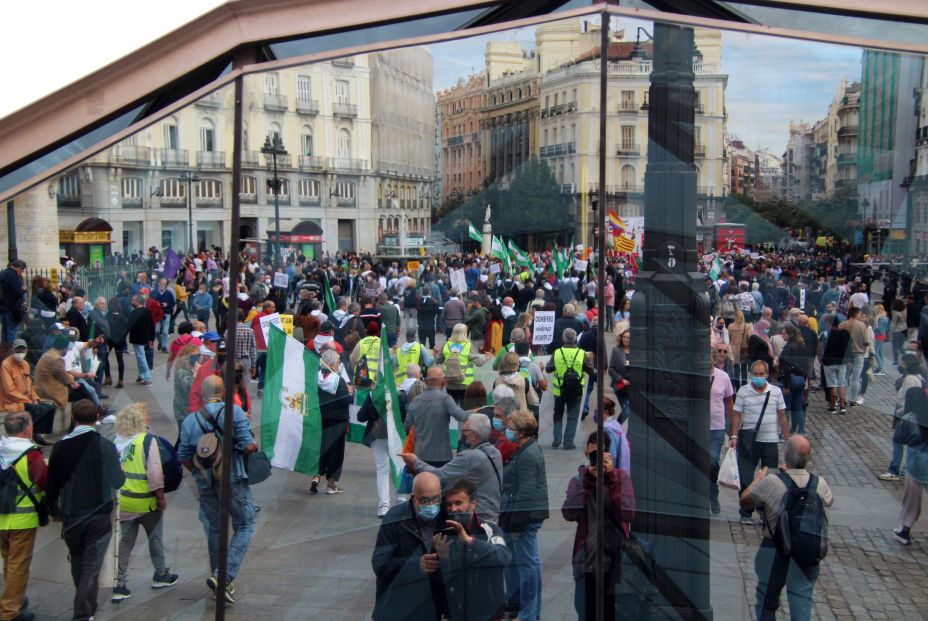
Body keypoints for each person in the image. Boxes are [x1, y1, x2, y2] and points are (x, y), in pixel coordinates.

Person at [177, 376, 259, 604]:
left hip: (205, 481)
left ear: (203, 394)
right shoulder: (235, 413)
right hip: (232, 476)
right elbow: (246, 444)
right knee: (245, 523)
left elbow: (183, 455)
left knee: (215, 529)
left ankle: (218, 579)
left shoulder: (190, 420)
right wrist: (253, 447)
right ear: (224, 392)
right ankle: (223, 577)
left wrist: (199, 472)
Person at [46, 400, 125, 621]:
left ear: (73, 418)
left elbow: (51, 482)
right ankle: (82, 613)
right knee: (91, 567)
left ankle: (88, 608)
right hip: (98, 515)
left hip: (71, 517)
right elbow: (118, 481)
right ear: (97, 418)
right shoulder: (105, 446)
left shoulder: (60, 446)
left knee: (79, 562)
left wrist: (53, 510)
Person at [739, 435, 833, 620]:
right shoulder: (819, 483)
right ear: (808, 458)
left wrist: (758, 479)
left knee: (767, 602)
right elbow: (829, 501)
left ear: (786, 457)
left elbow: (745, 502)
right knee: (801, 601)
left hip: (774, 550)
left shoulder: (771, 482)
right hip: (807, 548)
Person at [562, 431, 636, 621]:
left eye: (599, 454)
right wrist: (587, 482)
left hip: (616, 559)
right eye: (591, 454)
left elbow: (628, 513)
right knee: (585, 610)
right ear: (586, 454)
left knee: (613, 612)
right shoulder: (578, 479)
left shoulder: (620, 478)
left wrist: (611, 479)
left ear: (608, 454)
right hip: (586, 558)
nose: (594, 458)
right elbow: (569, 513)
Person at [111, 403, 179, 602]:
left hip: (123, 502)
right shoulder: (147, 441)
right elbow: (155, 473)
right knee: (155, 538)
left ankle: (119, 584)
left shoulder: (115, 443)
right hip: (146, 502)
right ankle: (161, 574)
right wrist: (160, 497)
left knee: (125, 542)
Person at [371, 472, 448, 620]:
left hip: (430, 608)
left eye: (435, 499)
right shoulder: (395, 519)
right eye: (425, 500)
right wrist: (415, 564)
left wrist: (446, 558)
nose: (431, 505)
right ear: (413, 498)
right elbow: (379, 563)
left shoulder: (447, 519)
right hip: (397, 608)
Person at [399, 413, 503, 522]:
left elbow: (439, 476)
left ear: (474, 436)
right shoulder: (496, 453)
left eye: (465, 431)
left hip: (476, 519)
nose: (462, 434)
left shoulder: (469, 457)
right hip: (493, 516)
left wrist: (415, 462)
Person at [500, 411, 548, 621]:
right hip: (524, 514)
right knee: (530, 564)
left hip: (524, 517)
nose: (507, 431)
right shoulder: (526, 449)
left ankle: (528, 614)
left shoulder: (527, 455)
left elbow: (526, 492)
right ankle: (526, 610)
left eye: (510, 428)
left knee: (527, 566)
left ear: (520, 432)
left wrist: (517, 524)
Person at [0, 411, 48, 621]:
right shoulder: (32, 454)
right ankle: (10, 612)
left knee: (9, 561)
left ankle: (13, 598)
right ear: (27, 429)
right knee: (18, 565)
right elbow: (44, 482)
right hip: (22, 520)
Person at [730, 360, 790, 525]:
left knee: (770, 478)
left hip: (770, 440)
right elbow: (736, 414)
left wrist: (787, 439)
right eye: (755, 374)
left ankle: (765, 511)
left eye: (761, 374)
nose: (758, 377)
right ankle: (746, 511)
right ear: (751, 375)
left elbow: (782, 416)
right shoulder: (743, 391)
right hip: (749, 441)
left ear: (767, 374)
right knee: (746, 476)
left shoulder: (776, 392)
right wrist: (734, 436)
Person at [404, 367, 471, 469]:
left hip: (420, 455)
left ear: (426, 382)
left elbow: (407, 426)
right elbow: (461, 416)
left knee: (422, 484)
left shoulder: (416, 400)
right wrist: (479, 410)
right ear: (443, 382)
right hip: (442, 456)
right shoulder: (445, 399)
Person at [0, 339, 55, 444]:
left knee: (50, 408)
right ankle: (32, 434)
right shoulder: (5, 365)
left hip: (25, 398)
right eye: (17, 351)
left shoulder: (26, 364)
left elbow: (30, 385)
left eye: (22, 350)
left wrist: (34, 398)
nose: (20, 353)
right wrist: (27, 400)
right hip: (12, 401)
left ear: (27, 350)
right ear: (13, 350)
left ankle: (39, 434)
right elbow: (9, 391)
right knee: (38, 409)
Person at [892, 386, 928, 546]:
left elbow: (900, 439)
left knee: (912, 499)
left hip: (916, 462)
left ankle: (905, 530)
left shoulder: (911, 417)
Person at [313, 350, 350, 496]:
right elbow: (345, 401)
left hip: (320, 420)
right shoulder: (338, 381)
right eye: (338, 362)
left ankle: (316, 476)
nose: (339, 364)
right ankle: (331, 485)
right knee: (335, 453)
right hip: (337, 422)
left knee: (320, 450)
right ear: (333, 365)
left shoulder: (315, 378)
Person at [546, 328, 591, 450]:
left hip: (559, 390)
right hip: (576, 391)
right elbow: (590, 370)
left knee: (558, 414)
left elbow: (548, 369)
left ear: (563, 339)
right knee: (572, 417)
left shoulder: (557, 352)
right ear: (575, 339)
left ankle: (557, 440)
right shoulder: (582, 353)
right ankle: (568, 442)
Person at [709, 344, 735, 514]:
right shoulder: (694, 375)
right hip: (696, 426)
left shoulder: (723, 377)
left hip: (716, 427)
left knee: (712, 462)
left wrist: (733, 430)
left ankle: (713, 494)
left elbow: (729, 402)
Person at [435, 323, 487, 404]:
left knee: (452, 407)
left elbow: (438, 360)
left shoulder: (446, 344)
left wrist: (436, 354)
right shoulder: (469, 345)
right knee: (464, 409)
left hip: (449, 382)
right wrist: (486, 358)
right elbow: (479, 363)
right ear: (465, 333)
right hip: (465, 382)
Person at [779, 323, 812, 434]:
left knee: (787, 407)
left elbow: (786, 367)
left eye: (784, 334)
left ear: (790, 334)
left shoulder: (788, 347)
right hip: (801, 379)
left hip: (790, 379)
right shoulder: (802, 345)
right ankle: (800, 430)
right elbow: (807, 364)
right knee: (798, 406)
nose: (782, 336)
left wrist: (786, 385)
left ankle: (786, 431)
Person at [127, 294, 155, 386]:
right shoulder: (147, 311)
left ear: (137, 301)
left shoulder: (134, 312)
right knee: (141, 357)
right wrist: (151, 338)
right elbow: (152, 325)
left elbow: (129, 325)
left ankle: (148, 377)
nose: (132, 301)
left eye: (133, 300)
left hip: (137, 337)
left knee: (141, 357)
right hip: (145, 337)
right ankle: (142, 376)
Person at [0, 260, 27, 345]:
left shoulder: (3, 273)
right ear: (19, 268)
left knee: (5, 331)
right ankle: (10, 351)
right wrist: (23, 291)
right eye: (22, 270)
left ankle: (4, 350)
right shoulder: (13, 275)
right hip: (13, 307)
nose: (22, 272)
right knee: (12, 330)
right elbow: (17, 292)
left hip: (2, 306)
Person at [608, 330, 632, 423]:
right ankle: (615, 427)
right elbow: (611, 369)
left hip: (632, 387)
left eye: (628, 337)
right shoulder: (616, 351)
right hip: (620, 386)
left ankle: (619, 431)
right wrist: (622, 379)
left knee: (630, 412)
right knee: (627, 410)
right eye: (624, 337)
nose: (625, 339)